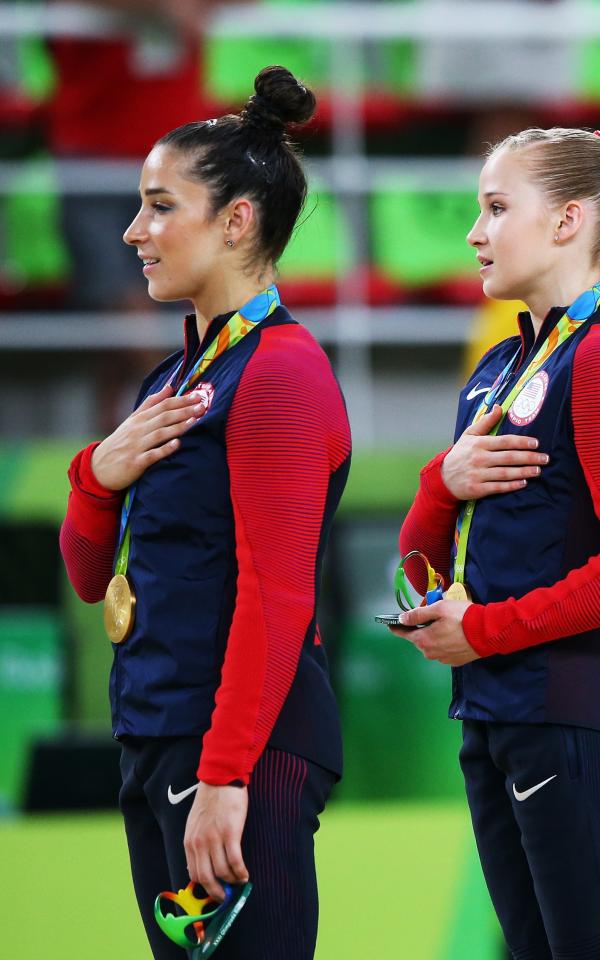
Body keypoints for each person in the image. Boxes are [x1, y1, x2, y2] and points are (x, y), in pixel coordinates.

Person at [57, 66, 347, 959]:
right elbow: (86, 575)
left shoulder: (281, 373)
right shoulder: (172, 377)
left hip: (238, 753)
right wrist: (96, 475)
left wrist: (225, 777)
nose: (133, 231)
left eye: (158, 206)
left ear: (236, 221)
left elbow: (278, 595)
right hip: (155, 730)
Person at [392, 123, 600, 959]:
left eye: (494, 208)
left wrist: (481, 629)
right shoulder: (496, 365)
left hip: (575, 712)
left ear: (565, 221)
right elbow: (421, 569)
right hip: (493, 711)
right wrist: (438, 484)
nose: (475, 234)